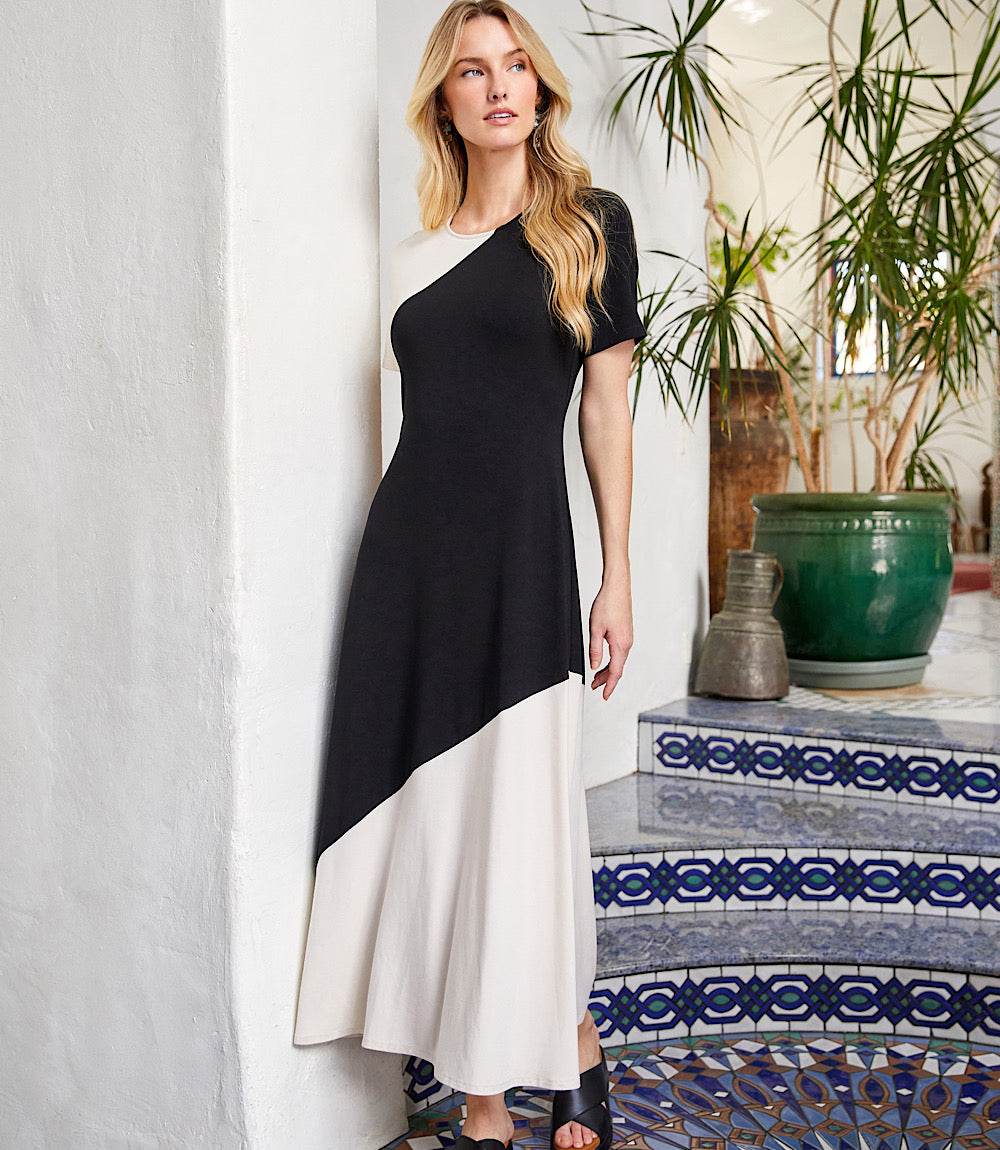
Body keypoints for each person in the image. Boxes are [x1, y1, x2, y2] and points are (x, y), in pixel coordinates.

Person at [293, 3, 646, 1148]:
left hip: (525, 564)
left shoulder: (589, 226)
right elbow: (401, 425)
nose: (498, 89)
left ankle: (563, 1046)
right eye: (470, 72)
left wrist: (617, 575)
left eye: (515, 69)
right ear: (442, 101)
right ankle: (489, 1095)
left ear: (540, 90)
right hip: (411, 564)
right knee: (448, 829)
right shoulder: (410, 256)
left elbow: (605, 413)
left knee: (521, 820)